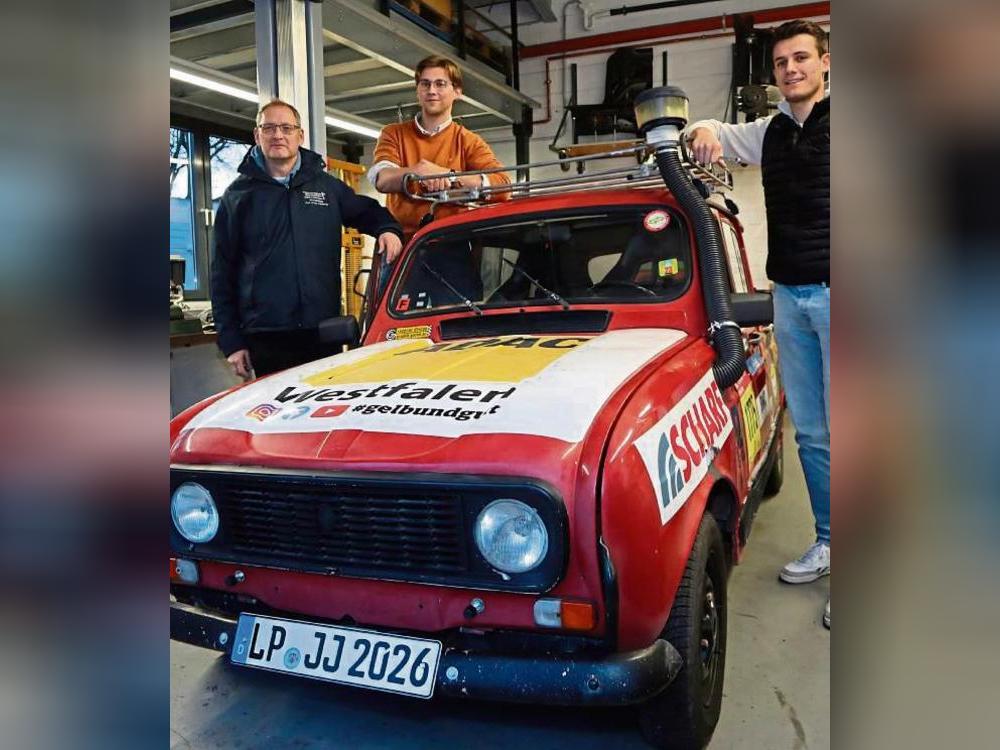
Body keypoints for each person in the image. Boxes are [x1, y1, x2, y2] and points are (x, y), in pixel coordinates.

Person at [686, 19, 830, 627]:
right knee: (815, 435)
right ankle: (830, 538)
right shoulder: (768, 131)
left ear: (826, 63)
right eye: (780, 63)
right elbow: (716, 132)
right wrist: (699, 130)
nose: (791, 69)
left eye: (801, 58)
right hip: (789, 297)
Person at [211, 99, 403, 379]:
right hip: (267, 337)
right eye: (270, 128)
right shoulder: (237, 197)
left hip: (322, 332)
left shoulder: (325, 187)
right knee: (275, 417)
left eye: (287, 128)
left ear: (300, 136)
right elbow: (221, 274)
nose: (278, 135)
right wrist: (232, 342)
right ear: (257, 135)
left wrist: (388, 229)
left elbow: (367, 211)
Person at [367, 55, 512, 248]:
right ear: (417, 91)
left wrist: (449, 177)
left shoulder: (468, 141)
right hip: (402, 248)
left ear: (457, 91)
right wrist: (418, 172)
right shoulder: (393, 133)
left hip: (450, 244)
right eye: (425, 84)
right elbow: (382, 179)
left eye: (440, 84)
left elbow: (503, 186)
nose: (431, 91)